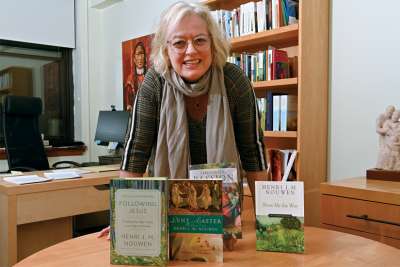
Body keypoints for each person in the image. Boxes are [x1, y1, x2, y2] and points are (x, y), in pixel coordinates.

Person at [99, 1, 268, 250]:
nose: (191, 51)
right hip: (167, 220)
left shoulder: (234, 81)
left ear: (212, 43)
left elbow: (253, 153)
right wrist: (125, 219)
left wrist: (268, 218)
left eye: (200, 40)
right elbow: (135, 155)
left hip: (222, 223)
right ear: (166, 49)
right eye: (179, 43)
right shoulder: (153, 84)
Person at [125, 42, 147, 110]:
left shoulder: (150, 76)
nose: (140, 58)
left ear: (145, 58)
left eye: (142, 54)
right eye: (138, 55)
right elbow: (128, 104)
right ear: (134, 59)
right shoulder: (130, 79)